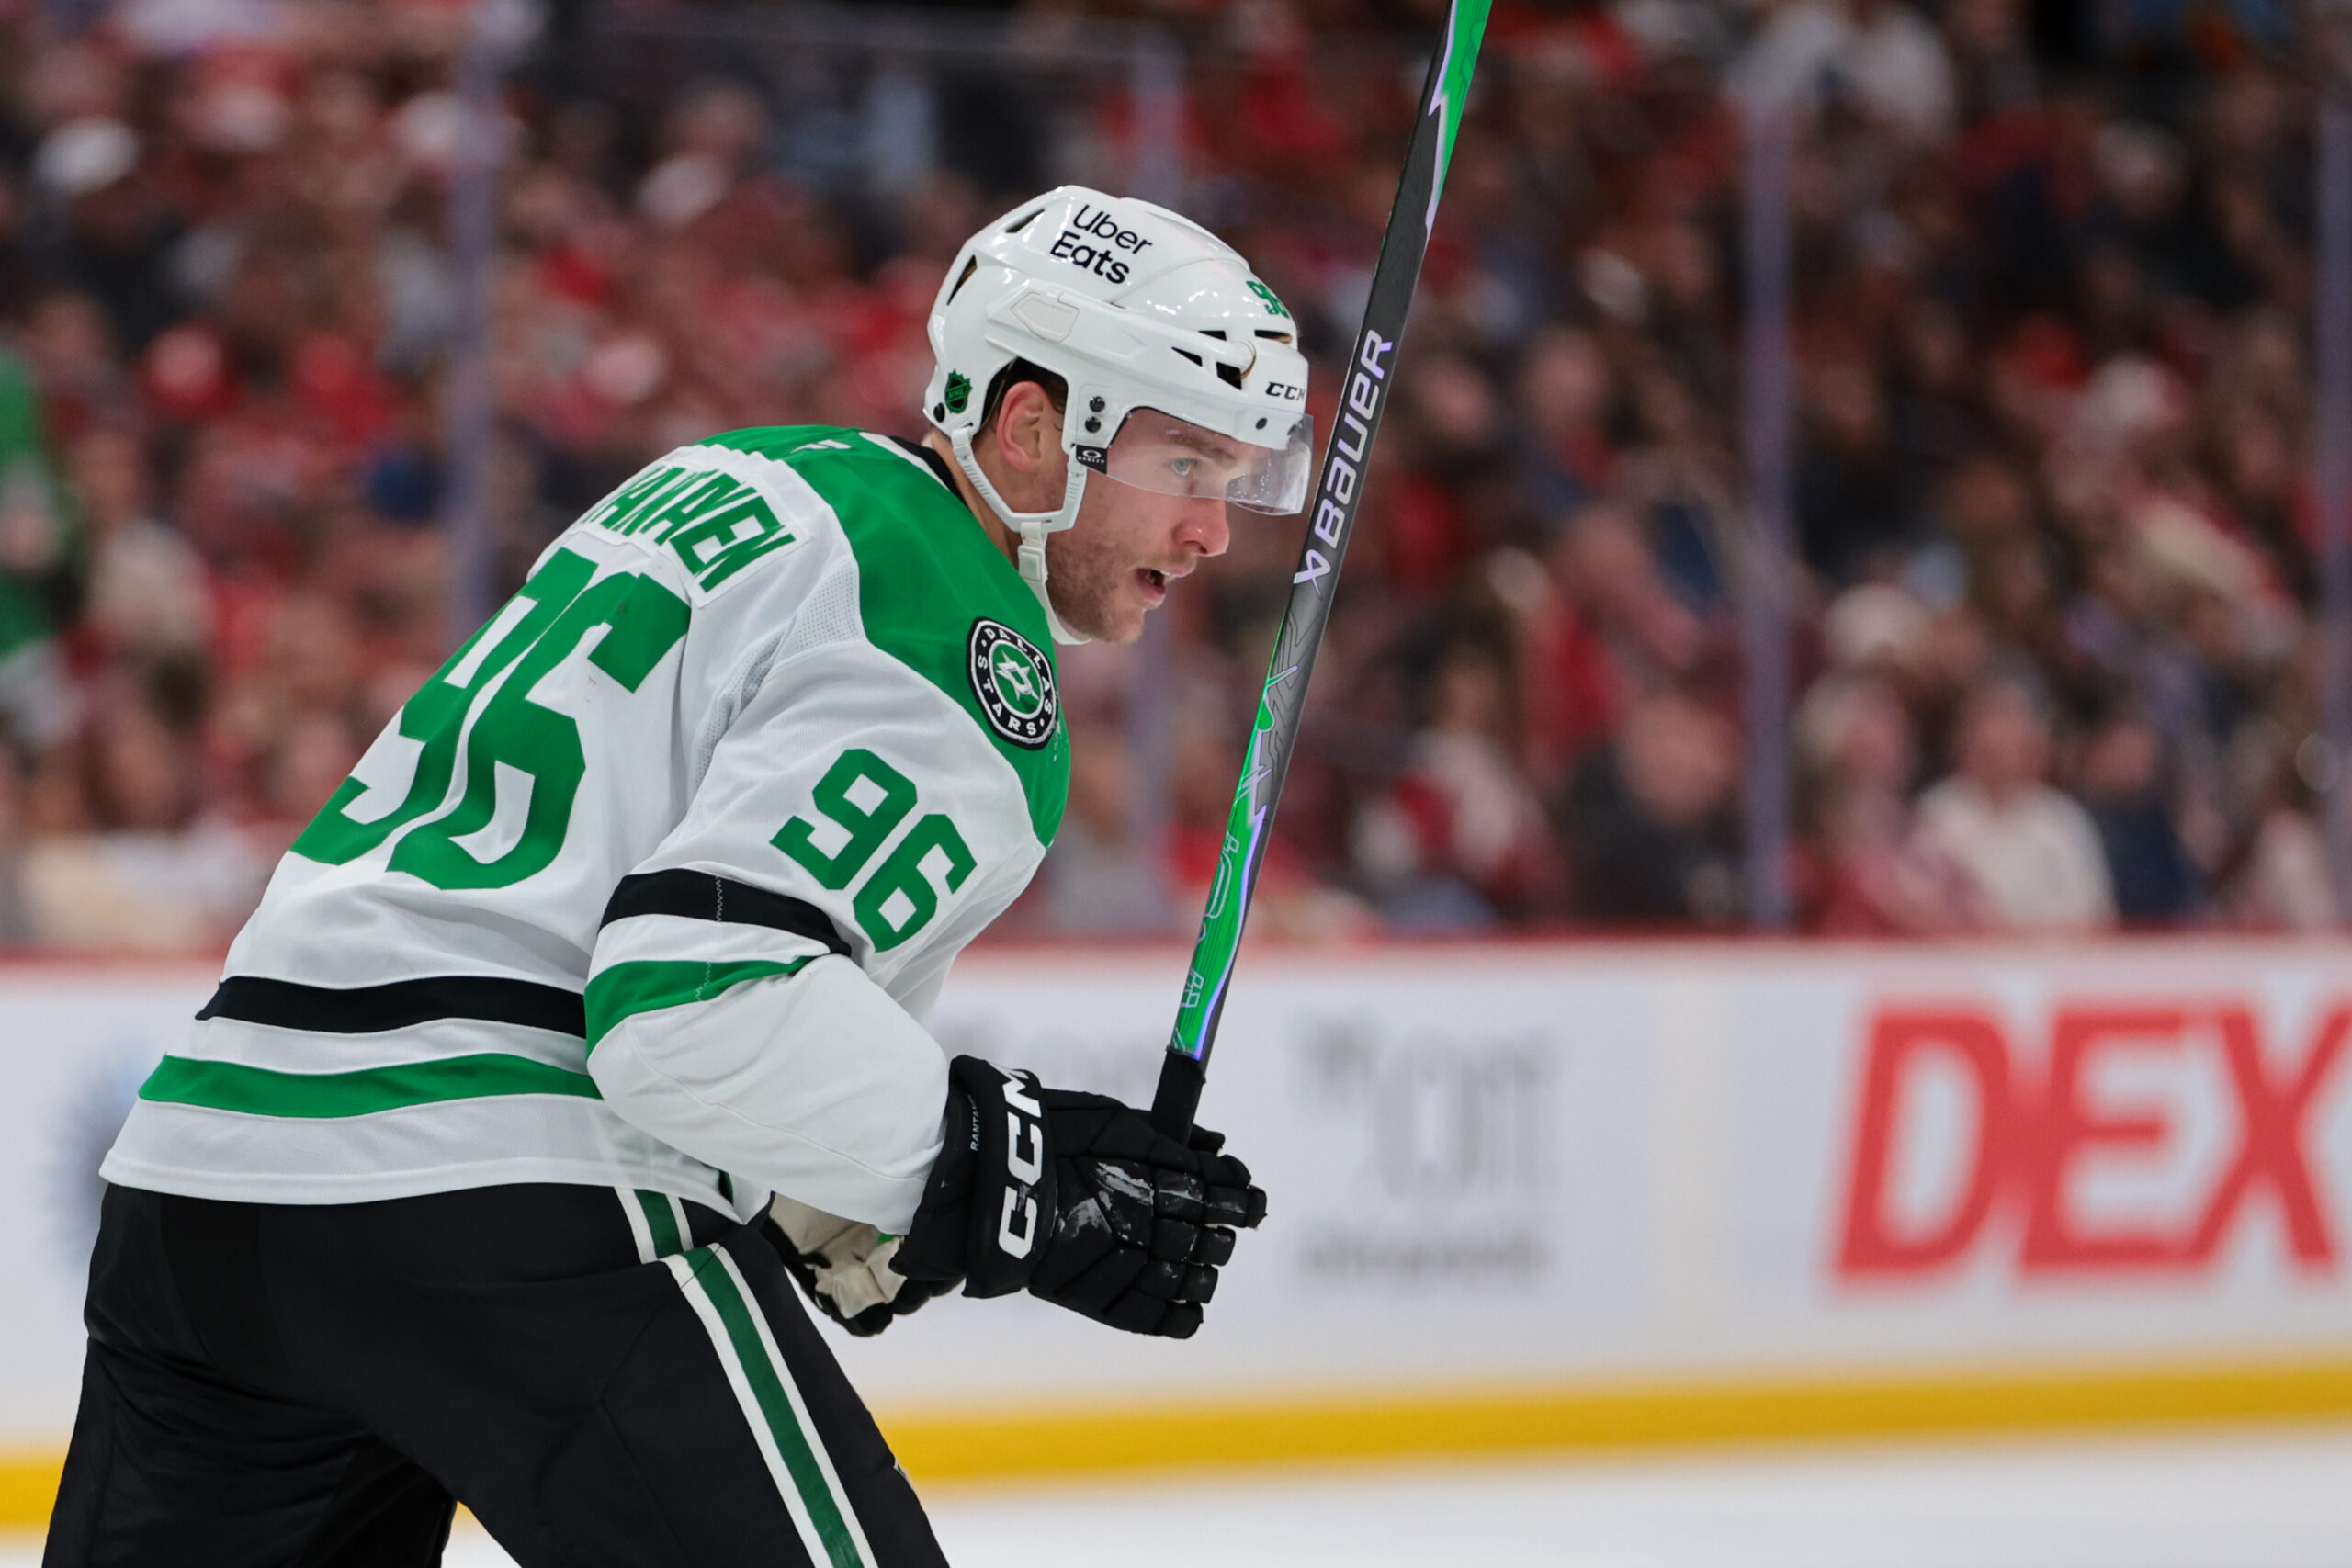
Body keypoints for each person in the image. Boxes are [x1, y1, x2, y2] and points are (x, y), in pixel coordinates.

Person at [47, 186, 1299, 1568]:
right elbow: (686, 998)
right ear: (1031, 428)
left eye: (1240, 481)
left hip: (202, 1186)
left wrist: (860, 1201)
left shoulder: (741, 479)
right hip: (494, 1183)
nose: (1214, 533)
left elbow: (623, 924)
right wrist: (1025, 1176)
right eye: (1188, 466)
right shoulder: (961, 632)